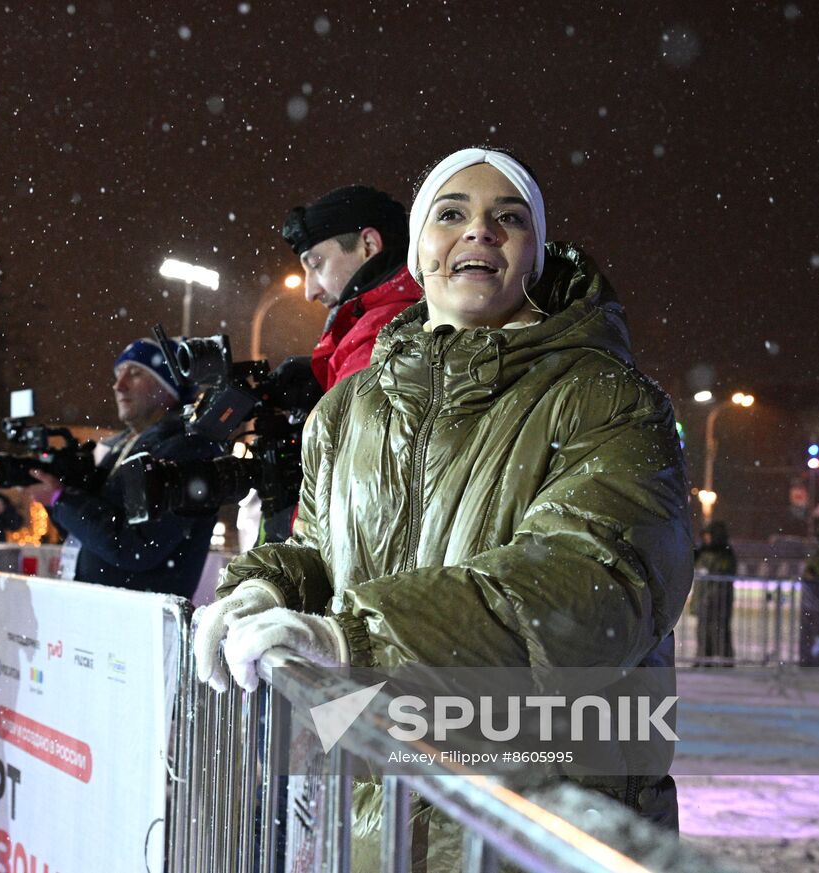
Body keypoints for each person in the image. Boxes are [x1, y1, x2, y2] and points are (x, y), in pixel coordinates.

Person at [196, 147, 692, 864]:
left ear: (535, 253)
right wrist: (266, 586)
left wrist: (353, 642)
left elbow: (596, 583)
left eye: (509, 218)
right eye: (451, 213)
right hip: (378, 821)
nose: (479, 231)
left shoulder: (610, 400)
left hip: (531, 824)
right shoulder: (347, 409)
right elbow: (325, 553)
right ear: (418, 250)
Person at [21, 338, 222, 599]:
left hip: (137, 621)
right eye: (118, 374)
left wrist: (62, 500)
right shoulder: (120, 446)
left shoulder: (185, 450)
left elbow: (135, 546)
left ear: (169, 388)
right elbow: (90, 533)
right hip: (105, 610)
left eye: (136, 373)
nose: (119, 385)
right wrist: (57, 495)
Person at [281, 185, 424, 391]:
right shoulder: (413, 314)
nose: (310, 292)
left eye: (316, 265)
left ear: (368, 245)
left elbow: (356, 423)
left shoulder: (380, 338)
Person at [692, 521, 738, 665]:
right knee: (702, 632)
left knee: (720, 632)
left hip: (719, 602)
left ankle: (724, 660)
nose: (706, 539)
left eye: (709, 536)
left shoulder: (725, 554)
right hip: (703, 600)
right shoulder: (701, 552)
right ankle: (703, 658)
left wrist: (710, 597)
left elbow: (722, 576)